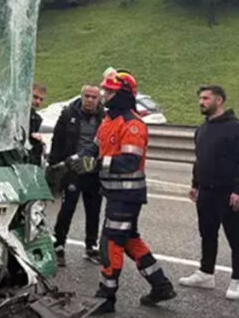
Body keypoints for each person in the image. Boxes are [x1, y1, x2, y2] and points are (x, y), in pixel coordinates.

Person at [68, 68, 176, 314]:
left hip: (127, 195)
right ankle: (161, 285)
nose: (105, 95)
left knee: (110, 243)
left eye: (110, 91)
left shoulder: (133, 125)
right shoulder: (108, 120)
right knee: (129, 240)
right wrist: (70, 163)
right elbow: (93, 149)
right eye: (105, 90)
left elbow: (128, 162)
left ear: (124, 95)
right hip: (115, 194)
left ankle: (106, 298)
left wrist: (94, 165)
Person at [178, 85, 239, 300]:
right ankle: (206, 273)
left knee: (236, 237)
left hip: (228, 193)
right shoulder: (202, 129)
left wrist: (237, 190)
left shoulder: (235, 128)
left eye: (206, 98)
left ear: (219, 100)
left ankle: (237, 280)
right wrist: (195, 184)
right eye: (200, 98)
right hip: (206, 191)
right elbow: (200, 159)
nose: (201, 102)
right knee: (207, 233)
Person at [49, 85, 104, 267]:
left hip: (93, 171)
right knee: (68, 207)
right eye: (87, 96)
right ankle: (59, 244)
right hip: (73, 169)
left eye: (93, 97)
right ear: (82, 96)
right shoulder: (68, 114)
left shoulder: (104, 117)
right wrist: (54, 165)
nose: (90, 100)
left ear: (99, 99)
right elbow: (57, 139)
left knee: (94, 209)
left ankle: (91, 246)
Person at [29, 83, 47, 165]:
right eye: (35, 97)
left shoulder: (37, 119)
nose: (37, 102)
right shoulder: (14, 114)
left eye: (41, 99)